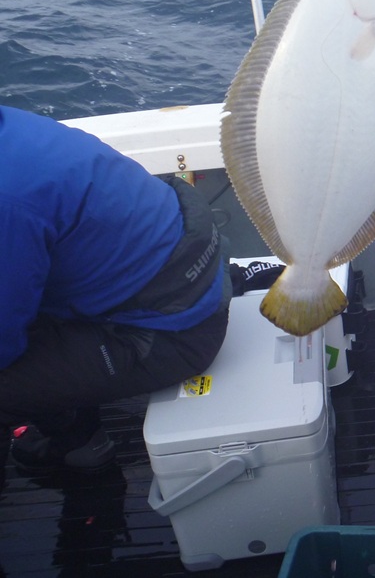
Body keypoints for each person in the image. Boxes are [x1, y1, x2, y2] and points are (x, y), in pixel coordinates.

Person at [0, 105, 231, 490]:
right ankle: (77, 437)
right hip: (186, 288)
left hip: (169, 335)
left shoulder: (8, 202)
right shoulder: (12, 128)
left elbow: (3, 344)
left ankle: (80, 443)